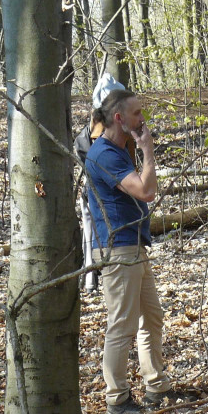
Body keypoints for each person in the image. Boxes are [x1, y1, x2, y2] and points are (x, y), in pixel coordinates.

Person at [85, 87, 187, 414]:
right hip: (117, 248)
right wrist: (148, 151)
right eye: (137, 113)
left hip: (134, 246)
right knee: (122, 324)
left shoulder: (118, 149)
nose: (143, 119)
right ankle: (117, 400)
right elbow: (145, 191)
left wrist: (140, 150)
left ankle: (157, 388)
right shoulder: (105, 154)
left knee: (151, 317)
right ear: (119, 118)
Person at [75, 74, 126, 292]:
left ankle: (99, 278)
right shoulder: (86, 138)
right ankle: (90, 280)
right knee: (91, 235)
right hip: (95, 194)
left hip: (116, 196)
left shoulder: (122, 133)